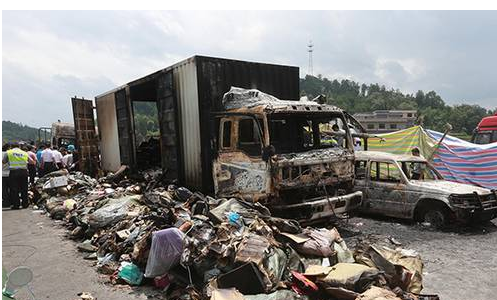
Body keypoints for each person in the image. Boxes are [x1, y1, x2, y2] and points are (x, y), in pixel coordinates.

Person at [3, 142, 29, 209]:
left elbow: (4, 161)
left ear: (11, 146)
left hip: (14, 172)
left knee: (14, 189)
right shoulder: (24, 153)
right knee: (24, 188)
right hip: (24, 171)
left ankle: (16, 205)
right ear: (19, 146)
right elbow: (29, 161)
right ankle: (25, 204)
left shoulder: (8, 152)